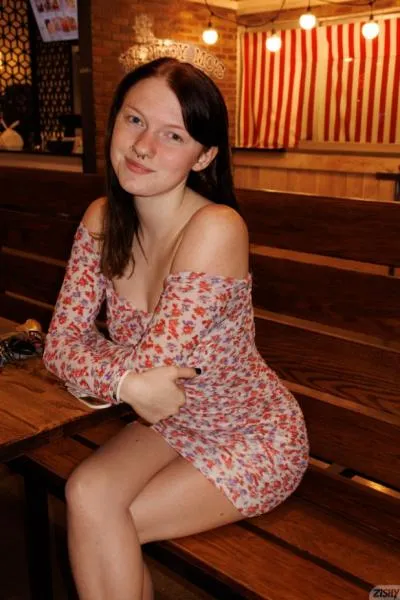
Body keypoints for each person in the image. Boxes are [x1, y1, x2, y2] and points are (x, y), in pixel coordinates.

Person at [43, 57, 309, 600]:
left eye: (173, 135)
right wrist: (127, 384)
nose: (143, 147)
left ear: (204, 155)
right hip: (170, 424)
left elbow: (153, 372)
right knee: (86, 493)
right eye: (134, 120)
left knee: (105, 522)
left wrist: (117, 377)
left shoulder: (216, 228)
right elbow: (60, 346)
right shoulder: (102, 219)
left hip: (252, 437)